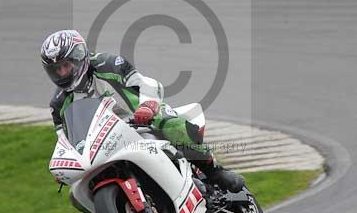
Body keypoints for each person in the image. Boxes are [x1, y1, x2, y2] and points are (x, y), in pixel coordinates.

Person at [40, 29, 246, 191]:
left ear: (78, 57)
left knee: (172, 126)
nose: (61, 73)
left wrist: (148, 105)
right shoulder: (58, 104)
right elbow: (65, 140)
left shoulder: (108, 64)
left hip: (142, 119)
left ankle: (214, 172)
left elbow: (147, 84)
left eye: (65, 66)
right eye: (56, 70)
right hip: (106, 141)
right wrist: (65, 164)